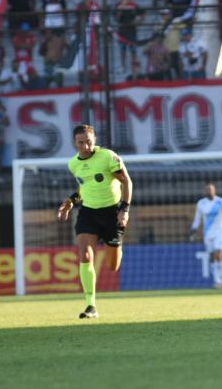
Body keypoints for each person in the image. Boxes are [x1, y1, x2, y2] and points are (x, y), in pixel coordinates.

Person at [57, 124, 132, 319]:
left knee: (112, 266)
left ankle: (117, 244)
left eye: (89, 142)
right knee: (85, 254)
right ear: (75, 143)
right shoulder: (73, 164)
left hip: (112, 213)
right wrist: (72, 201)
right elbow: (85, 187)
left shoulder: (108, 157)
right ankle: (91, 306)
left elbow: (126, 181)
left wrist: (124, 209)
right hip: (88, 213)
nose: (85, 146)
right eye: (81, 143)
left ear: (95, 140)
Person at [189, 183, 222, 289]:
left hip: (220, 232)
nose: (209, 191)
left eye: (211, 189)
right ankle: (216, 279)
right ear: (205, 192)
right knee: (211, 257)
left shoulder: (221, 202)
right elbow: (197, 219)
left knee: (218, 255)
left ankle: (219, 281)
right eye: (207, 190)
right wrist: (193, 230)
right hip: (208, 233)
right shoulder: (201, 203)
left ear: (214, 190)